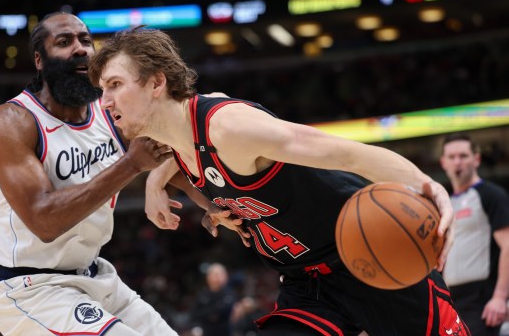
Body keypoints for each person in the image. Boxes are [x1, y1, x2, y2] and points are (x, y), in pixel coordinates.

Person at [87, 25, 469, 336]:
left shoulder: (228, 126)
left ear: (156, 83)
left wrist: (426, 185)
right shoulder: (175, 140)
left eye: (115, 85)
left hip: (366, 258)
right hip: (305, 284)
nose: (104, 101)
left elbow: (343, 152)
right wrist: (156, 184)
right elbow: (183, 153)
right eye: (103, 89)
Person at [0, 12, 190, 336]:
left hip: (96, 275)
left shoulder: (108, 110)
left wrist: (215, 205)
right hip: (31, 288)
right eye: (64, 42)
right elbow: (43, 220)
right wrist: (132, 165)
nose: (80, 49)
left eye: (85, 40)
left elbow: (171, 154)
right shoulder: (11, 121)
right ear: (40, 60)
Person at [439, 133, 509, 336]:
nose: (457, 162)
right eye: (451, 157)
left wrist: (499, 297)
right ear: (443, 163)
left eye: (463, 155)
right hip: (452, 299)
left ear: (476, 159)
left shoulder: (491, 195)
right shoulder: (444, 202)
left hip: (483, 299)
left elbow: (508, 245)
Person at [192, 262, 237, 336]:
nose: (219, 277)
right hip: (206, 332)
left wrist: (207, 312)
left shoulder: (230, 293)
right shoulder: (202, 294)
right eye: (216, 275)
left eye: (222, 274)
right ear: (208, 277)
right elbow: (195, 313)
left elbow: (226, 309)